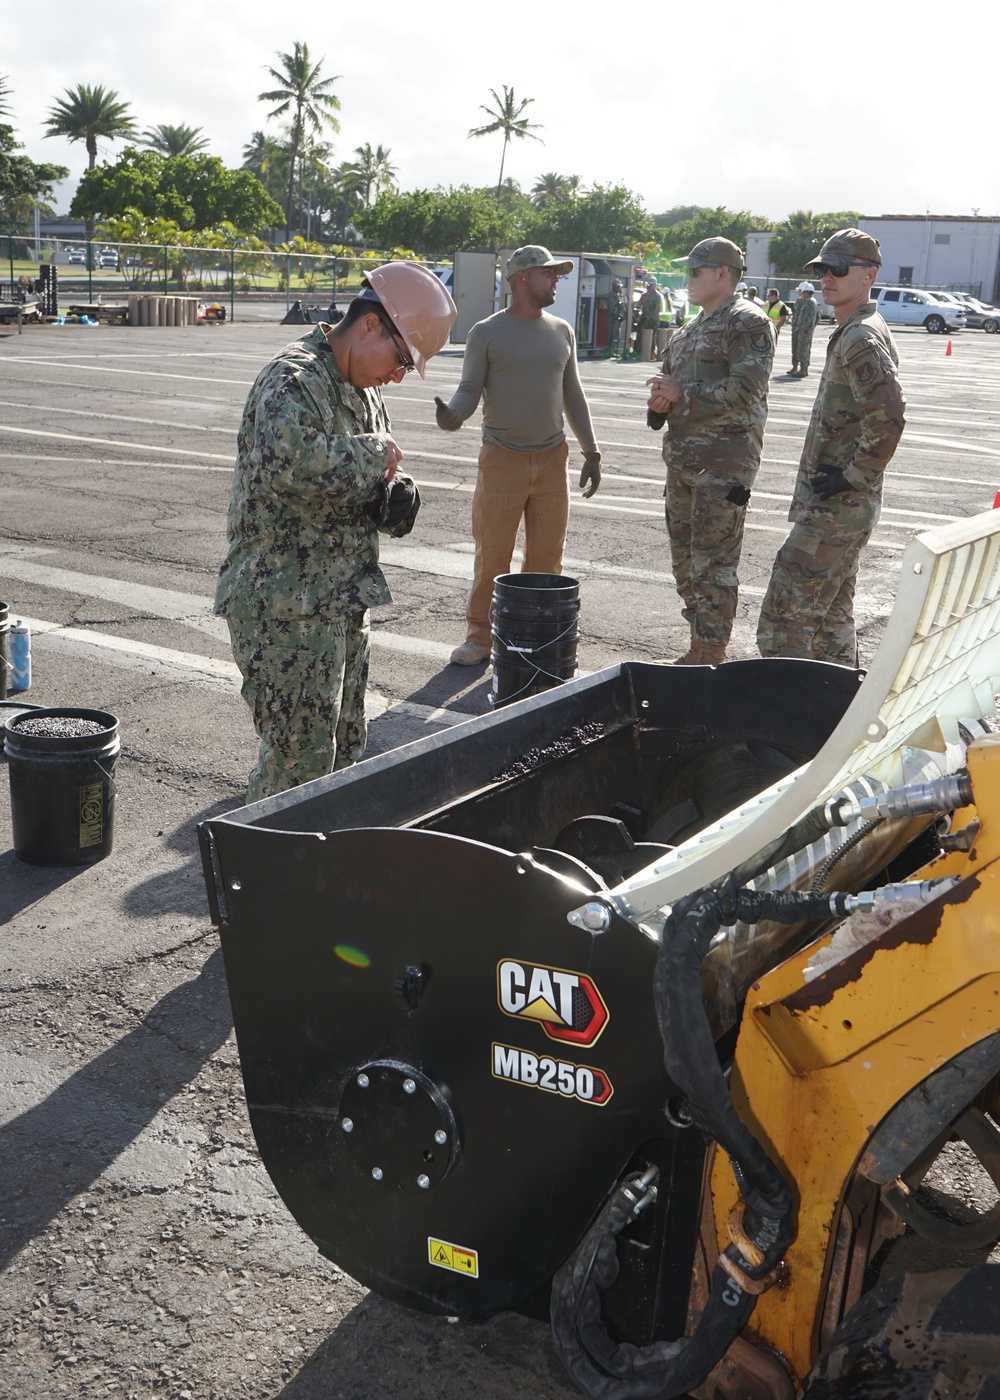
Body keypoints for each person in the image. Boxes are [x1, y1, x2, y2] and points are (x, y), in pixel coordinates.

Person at [215, 262, 456, 800]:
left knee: (344, 750)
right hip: (284, 608)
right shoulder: (293, 379)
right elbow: (292, 464)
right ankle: (268, 875)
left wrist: (399, 495)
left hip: (341, 601)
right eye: (400, 359)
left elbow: (377, 465)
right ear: (370, 325)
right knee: (296, 768)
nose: (398, 375)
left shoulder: (362, 386)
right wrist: (375, 458)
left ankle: (319, 871)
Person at [435, 244, 603, 666]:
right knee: (493, 552)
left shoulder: (562, 329)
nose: (556, 281)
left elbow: (572, 393)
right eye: (549, 274)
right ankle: (480, 637)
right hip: (502, 459)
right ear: (523, 278)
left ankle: (530, 636)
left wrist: (591, 450)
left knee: (547, 557)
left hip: (551, 458)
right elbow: (470, 388)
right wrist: (454, 414)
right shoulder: (486, 332)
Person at [757, 229, 905, 666]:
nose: (826, 278)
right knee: (831, 619)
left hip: (836, 508)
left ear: (868, 275)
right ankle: (837, 716)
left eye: (838, 269)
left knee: (783, 622)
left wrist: (851, 477)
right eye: (822, 270)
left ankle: (786, 726)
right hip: (842, 505)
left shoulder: (860, 336)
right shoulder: (854, 329)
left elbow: (890, 414)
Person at [646, 237, 775, 665]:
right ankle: (698, 644)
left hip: (723, 466)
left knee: (713, 563)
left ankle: (711, 651)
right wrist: (661, 403)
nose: (687, 279)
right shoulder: (690, 328)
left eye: (694, 271)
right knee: (684, 560)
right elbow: (672, 389)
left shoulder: (747, 323)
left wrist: (683, 392)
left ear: (722, 273)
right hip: (683, 462)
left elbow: (745, 389)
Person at [789, 280, 820, 376]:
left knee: (803, 349)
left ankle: (803, 369)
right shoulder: (802, 301)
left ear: (806, 292)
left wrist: (807, 327)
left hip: (804, 330)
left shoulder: (810, 302)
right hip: (798, 328)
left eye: (802, 292)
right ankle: (796, 367)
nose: (801, 294)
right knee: (797, 348)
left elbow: (814, 317)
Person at [637, 278, 664, 360]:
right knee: (642, 336)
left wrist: (649, 318)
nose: (649, 287)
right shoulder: (645, 295)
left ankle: (651, 353)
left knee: (652, 337)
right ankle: (642, 352)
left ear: (655, 286)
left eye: (651, 285)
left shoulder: (657, 296)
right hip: (645, 319)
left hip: (653, 320)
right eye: (649, 285)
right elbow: (640, 305)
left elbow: (656, 310)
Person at [606, 278, 627, 353]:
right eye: (618, 286)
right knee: (613, 335)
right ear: (614, 287)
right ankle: (611, 351)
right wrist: (618, 315)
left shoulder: (619, 296)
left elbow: (622, 306)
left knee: (617, 335)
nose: (619, 288)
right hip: (613, 319)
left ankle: (615, 351)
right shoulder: (612, 296)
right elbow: (612, 308)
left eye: (620, 287)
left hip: (618, 320)